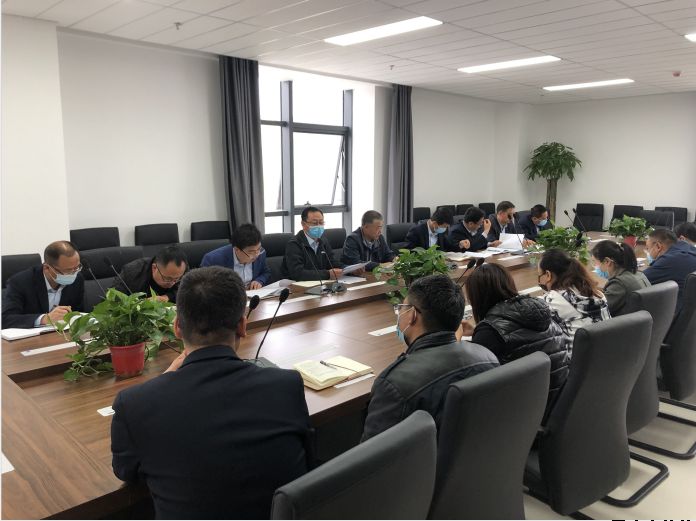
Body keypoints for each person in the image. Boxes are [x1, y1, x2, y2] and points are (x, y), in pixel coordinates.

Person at [111, 267, 311, 519]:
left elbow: (126, 471)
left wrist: (163, 382)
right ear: (242, 325)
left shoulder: (134, 404)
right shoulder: (286, 385)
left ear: (177, 327)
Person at [362, 274, 498, 441]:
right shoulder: (489, 357)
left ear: (412, 315)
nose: (399, 314)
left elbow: (375, 453)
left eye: (401, 308)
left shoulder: (393, 384)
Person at [463, 263, 568, 417]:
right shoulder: (541, 311)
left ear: (477, 297)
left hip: (525, 416)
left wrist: (454, 341)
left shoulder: (491, 332)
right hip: (559, 404)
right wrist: (477, 332)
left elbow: (471, 378)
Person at [538, 249, 609, 352]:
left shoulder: (552, 300)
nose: (540, 281)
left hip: (578, 360)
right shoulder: (598, 294)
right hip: (609, 355)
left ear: (548, 275)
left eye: (540, 276)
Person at [2, 241, 84, 328]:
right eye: (68, 271)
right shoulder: (19, 282)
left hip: (63, 333)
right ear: (47, 268)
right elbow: (5, 319)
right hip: (33, 335)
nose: (73, 274)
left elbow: (78, 313)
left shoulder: (77, 279)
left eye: (77, 268)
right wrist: (44, 319)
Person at [282, 206, 343, 281]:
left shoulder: (323, 241)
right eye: (315, 223)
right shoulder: (294, 244)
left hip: (321, 284)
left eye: (321, 223)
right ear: (303, 224)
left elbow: (332, 263)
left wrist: (347, 269)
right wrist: (327, 274)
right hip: (296, 286)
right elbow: (298, 273)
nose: (319, 226)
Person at [201, 223, 271, 289]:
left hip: (253, 294)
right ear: (237, 249)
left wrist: (259, 280)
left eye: (258, 249)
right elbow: (205, 285)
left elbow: (265, 272)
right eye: (251, 252)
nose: (256, 255)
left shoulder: (261, 253)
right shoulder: (212, 259)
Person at [644, 228, 696, 316]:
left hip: (673, 315)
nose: (647, 252)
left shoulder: (670, 260)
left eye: (648, 248)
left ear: (658, 246)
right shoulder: (687, 249)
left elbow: (640, 280)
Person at [591, 240, 650, 316]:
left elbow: (596, 309)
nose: (595, 266)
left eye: (594, 262)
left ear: (607, 261)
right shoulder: (639, 274)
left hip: (628, 322)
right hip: (643, 320)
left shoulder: (619, 283)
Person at [115, 245, 187, 302]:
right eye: (168, 279)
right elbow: (113, 298)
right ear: (154, 268)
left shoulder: (181, 270)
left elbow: (188, 290)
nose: (173, 283)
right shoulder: (132, 272)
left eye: (177, 278)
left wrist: (167, 297)